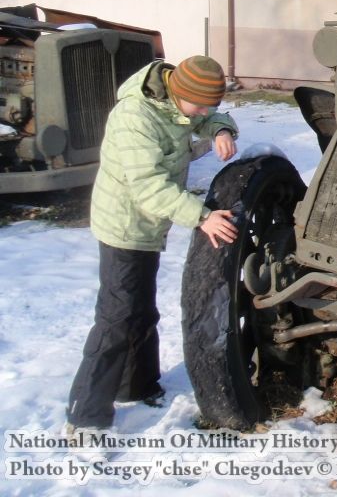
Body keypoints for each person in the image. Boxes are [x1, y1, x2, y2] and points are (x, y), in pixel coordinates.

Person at [66, 55, 240, 430]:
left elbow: (205, 116)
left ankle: (138, 386)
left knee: (141, 311)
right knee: (115, 320)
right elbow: (147, 187)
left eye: (212, 105)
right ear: (180, 92)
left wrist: (222, 129)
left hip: (147, 228)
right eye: (202, 104)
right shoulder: (136, 119)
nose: (205, 112)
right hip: (124, 226)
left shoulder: (178, 100)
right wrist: (201, 216)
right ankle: (85, 417)